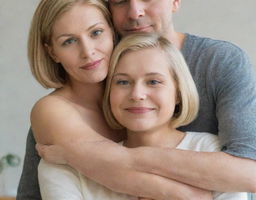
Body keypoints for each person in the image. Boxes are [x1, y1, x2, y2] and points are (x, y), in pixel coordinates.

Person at [17, 0, 256, 199]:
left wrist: (78, 155)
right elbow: (115, 171)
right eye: (120, 1)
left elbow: (250, 173)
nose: (135, 12)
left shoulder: (220, 62)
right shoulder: (71, 97)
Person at [21, 0, 212, 200]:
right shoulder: (52, 110)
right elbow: (121, 169)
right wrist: (191, 194)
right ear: (52, 52)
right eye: (69, 41)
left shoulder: (133, 102)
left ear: (112, 31)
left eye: (96, 33)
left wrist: (69, 154)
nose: (88, 51)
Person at [38, 33, 248, 200]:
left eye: (153, 81)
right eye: (122, 82)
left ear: (177, 92)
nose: (137, 95)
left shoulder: (212, 151)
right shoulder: (64, 166)